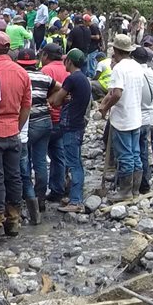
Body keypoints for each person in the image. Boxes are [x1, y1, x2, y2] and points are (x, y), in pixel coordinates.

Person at [0, 31, 31, 237]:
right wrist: (17, 127)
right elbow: (26, 107)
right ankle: (14, 219)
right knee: (14, 177)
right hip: (13, 131)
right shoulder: (21, 73)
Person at [98, 34, 149, 200]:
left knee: (125, 155)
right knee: (135, 154)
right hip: (135, 116)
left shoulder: (119, 68)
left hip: (122, 118)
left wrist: (105, 108)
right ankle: (134, 190)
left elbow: (117, 93)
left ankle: (125, 192)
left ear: (116, 50)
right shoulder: (137, 67)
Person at [16, 47, 58, 224]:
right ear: (35, 62)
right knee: (40, 161)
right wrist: (48, 102)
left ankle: (28, 199)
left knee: (23, 161)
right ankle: (40, 198)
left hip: (27, 123)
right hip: (45, 122)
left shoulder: (19, 76)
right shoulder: (44, 77)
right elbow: (61, 88)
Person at [48, 50, 92, 212]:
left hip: (70, 125)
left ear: (70, 62)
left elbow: (57, 100)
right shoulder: (84, 79)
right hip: (78, 124)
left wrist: (60, 98)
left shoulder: (72, 79)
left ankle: (75, 200)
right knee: (76, 161)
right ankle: (75, 196)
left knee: (74, 164)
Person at [39, 43, 69, 203]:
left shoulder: (45, 71)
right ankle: (58, 188)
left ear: (45, 56)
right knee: (58, 155)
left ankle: (39, 192)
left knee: (39, 157)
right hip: (63, 120)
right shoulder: (67, 69)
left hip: (47, 118)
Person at [133, 47, 153, 193]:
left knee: (136, 151)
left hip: (139, 116)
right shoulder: (152, 73)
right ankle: (145, 181)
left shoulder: (136, 74)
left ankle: (138, 183)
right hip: (151, 114)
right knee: (146, 150)